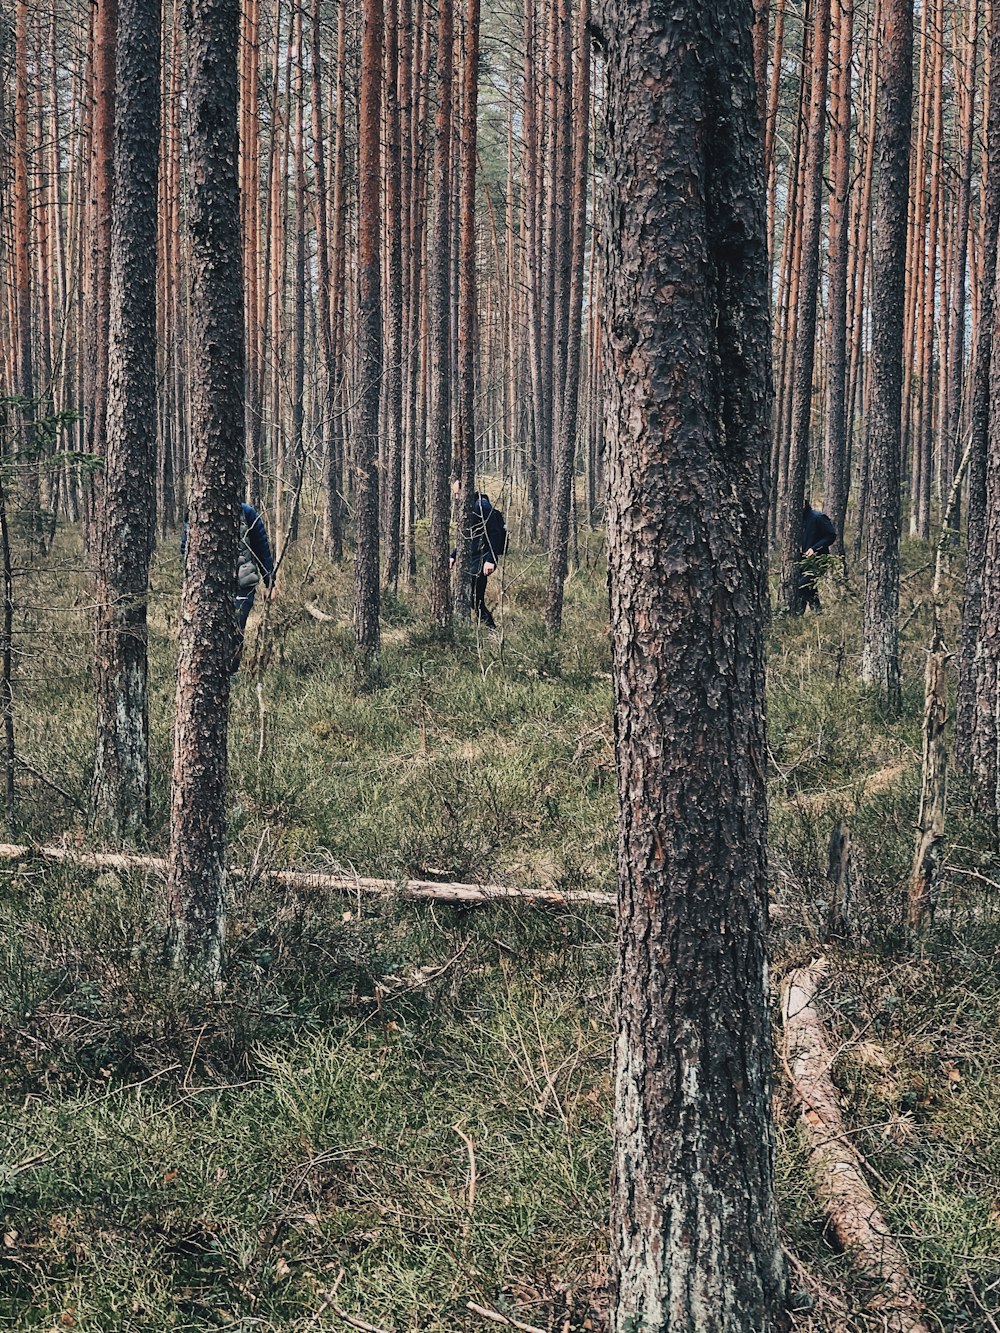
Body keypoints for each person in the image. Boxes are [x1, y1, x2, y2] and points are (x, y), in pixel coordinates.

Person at [182, 502, 275, 673]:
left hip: (243, 584)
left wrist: (270, 582)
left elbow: (262, 549)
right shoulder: (197, 510)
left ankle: (232, 672)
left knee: (236, 629)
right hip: (208, 588)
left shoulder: (247, 513)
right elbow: (185, 549)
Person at [451, 490, 508, 630]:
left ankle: (490, 627)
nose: (456, 496)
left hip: (482, 558)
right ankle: (486, 627)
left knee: (474, 598)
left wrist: (491, 559)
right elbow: (466, 537)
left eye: (458, 492)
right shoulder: (468, 507)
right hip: (472, 558)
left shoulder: (482, 506)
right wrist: (453, 555)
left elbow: (496, 533)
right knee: (472, 598)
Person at [798, 500, 837, 612]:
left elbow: (831, 536)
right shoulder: (797, 518)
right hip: (803, 561)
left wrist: (814, 548)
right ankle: (817, 614)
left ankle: (797, 615)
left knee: (802, 586)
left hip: (819, 560)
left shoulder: (818, 517)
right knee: (810, 589)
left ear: (805, 503)